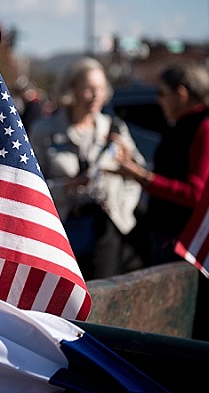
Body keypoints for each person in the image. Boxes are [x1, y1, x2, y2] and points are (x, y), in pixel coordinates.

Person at [30, 57, 145, 280]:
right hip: (60, 229)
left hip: (105, 229)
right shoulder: (43, 131)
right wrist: (66, 186)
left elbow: (137, 176)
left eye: (101, 89)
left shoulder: (114, 129)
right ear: (71, 89)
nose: (96, 96)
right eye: (89, 89)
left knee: (100, 293)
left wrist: (123, 211)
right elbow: (31, 186)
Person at [113, 61, 209, 266]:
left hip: (185, 241)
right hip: (167, 235)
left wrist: (143, 176)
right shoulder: (182, 125)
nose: (159, 100)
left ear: (181, 94)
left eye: (163, 92)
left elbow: (196, 193)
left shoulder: (208, 128)